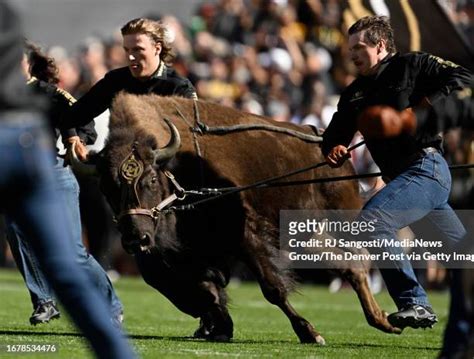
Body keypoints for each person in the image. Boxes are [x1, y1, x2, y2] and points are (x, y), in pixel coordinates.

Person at [321, 15, 472, 353]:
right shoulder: (354, 93)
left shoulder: (413, 65)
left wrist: (422, 110)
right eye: (350, 50)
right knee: (465, 257)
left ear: (381, 45)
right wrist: (334, 148)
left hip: (426, 168)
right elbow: (334, 135)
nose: (353, 55)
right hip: (405, 180)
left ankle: (415, 300)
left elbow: (464, 78)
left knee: (372, 221)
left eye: (360, 47)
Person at [0, 1, 135, 357]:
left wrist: (73, 137)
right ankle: (44, 300)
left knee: (72, 252)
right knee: (17, 234)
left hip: (53, 174)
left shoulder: (50, 93)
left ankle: (111, 306)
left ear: (26, 60)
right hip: (15, 172)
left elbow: (84, 124)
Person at [61, 17, 197, 130]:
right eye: (127, 50)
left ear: (157, 48)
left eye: (138, 50)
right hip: (120, 157)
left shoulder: (179, 88)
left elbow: (193, 136)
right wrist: (75, 138)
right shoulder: (115, 81)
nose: (131, 57)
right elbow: (75, 116)